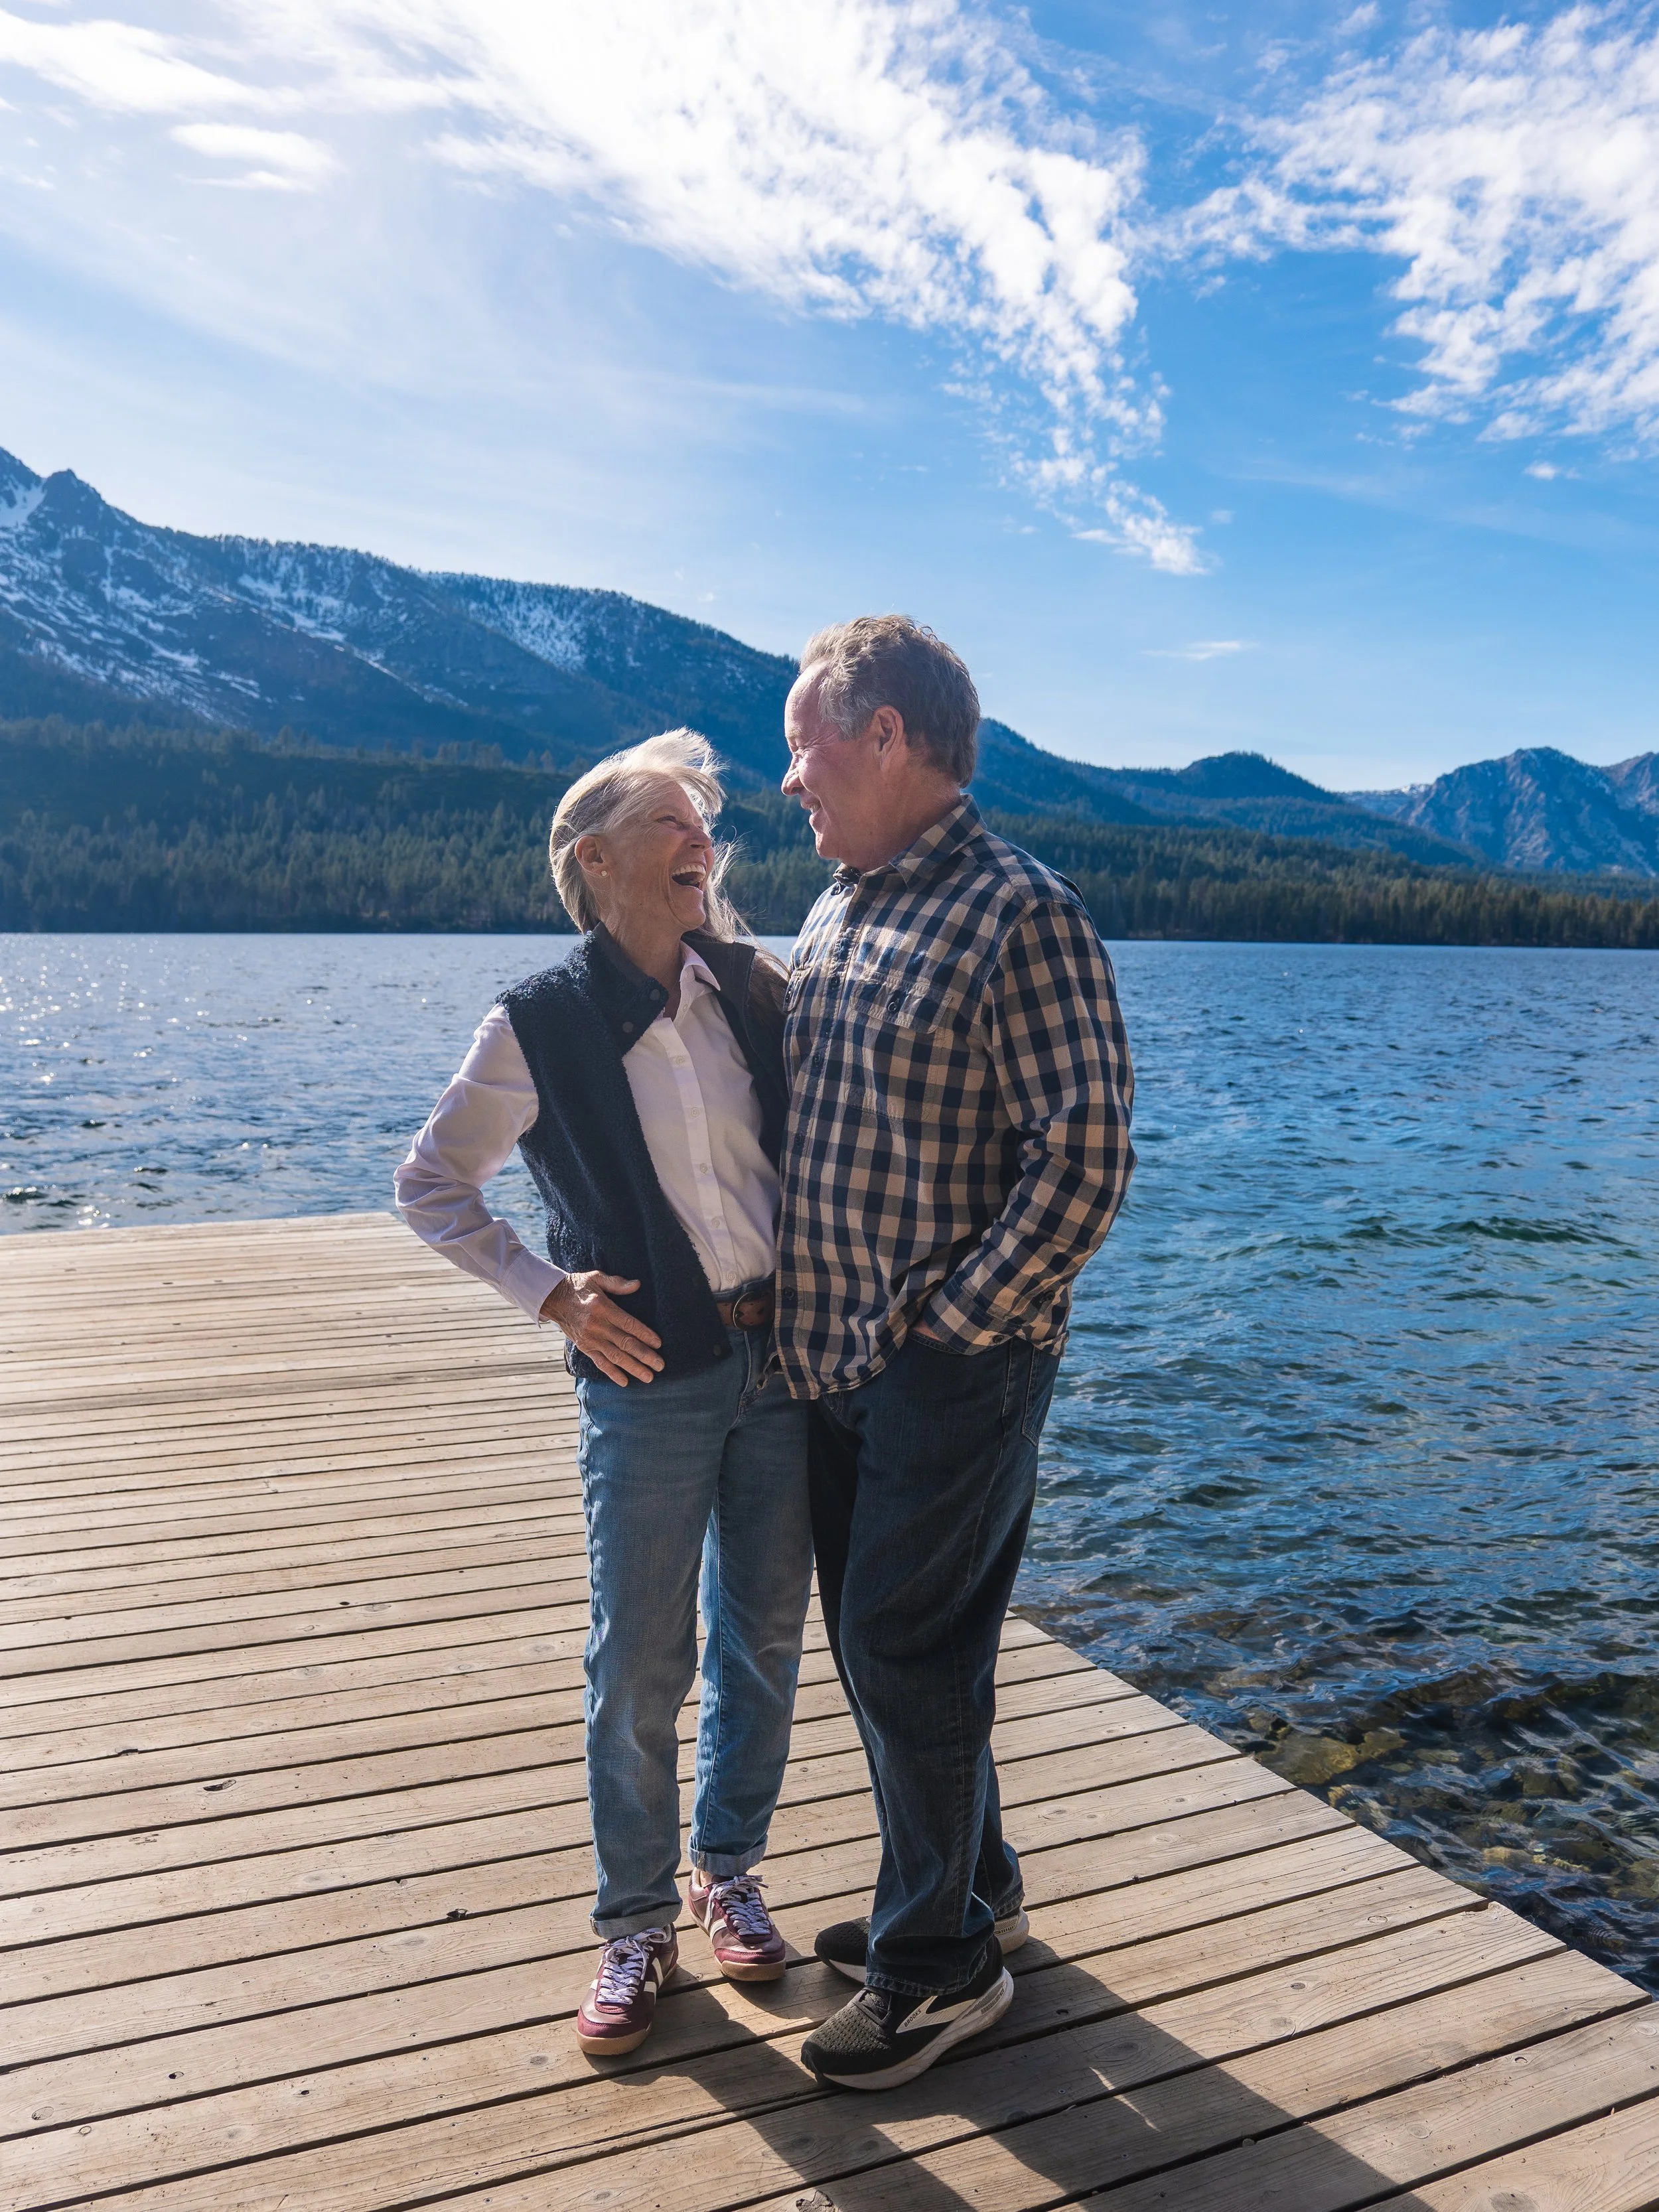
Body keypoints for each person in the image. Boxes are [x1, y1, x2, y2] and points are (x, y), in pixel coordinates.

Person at [394, 730, 813, 2061]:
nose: (706, 840)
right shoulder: (535, 1020)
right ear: (597, 857)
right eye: (674, 821)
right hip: (648, 1379)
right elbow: (429, 1187)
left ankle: (725, 1869)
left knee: (760, 1639)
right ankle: (633, 1924)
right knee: (637, 1658)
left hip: (782, 1365)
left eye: (710, 824)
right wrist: (550, 1293)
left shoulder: (752, 985)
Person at [774, 617, 1135, 2093]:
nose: (787, 778)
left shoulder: (1016, 914)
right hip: (833, 1353)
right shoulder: (839, 906)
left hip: (946, 1362)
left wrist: (956, 1316)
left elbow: (1088, 1149)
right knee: (894, 1651)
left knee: (900, 1648)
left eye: (805, 746)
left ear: (886, 739)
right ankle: (967, 1890)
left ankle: (938, 1970)